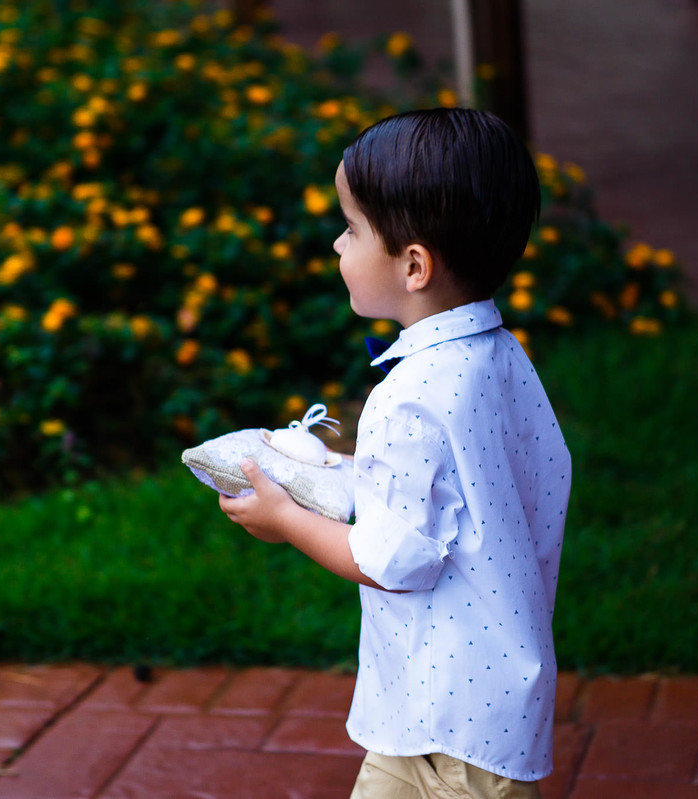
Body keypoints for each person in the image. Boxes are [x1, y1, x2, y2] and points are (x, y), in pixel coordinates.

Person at [219, 107, 571, 799]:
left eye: (351, 228)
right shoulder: (497, 358)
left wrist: (284, 520)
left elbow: (396, 561)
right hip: (464, 711)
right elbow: (467, 489)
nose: (335, 245)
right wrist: (341, 474)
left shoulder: (408, 396)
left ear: (413, 265)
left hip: (451, 740)